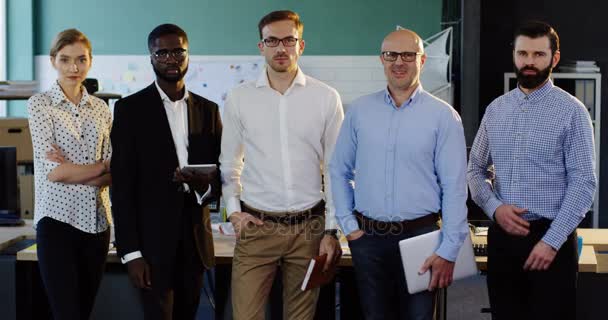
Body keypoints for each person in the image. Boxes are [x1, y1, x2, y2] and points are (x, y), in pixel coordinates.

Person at [330, 29, 469, 320]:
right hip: (368, 240)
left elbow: (454, 187)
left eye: (408, 55)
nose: (399, 62)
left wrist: (449, 248)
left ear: (422, 59)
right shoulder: (360, 111)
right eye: (391, 55)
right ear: (381, 59)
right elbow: (339, 169)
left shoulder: (443, 116)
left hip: (422, 238)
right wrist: (348, 225)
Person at [220, 10, 344, 320]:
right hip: (258, 226)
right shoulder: (240, 98)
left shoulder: (326, 98)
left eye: (289, 40)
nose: (281, 48)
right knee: (246, 316)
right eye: (272, 41)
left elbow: (336, 169)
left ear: (301, 45)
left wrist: (332, 229)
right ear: (261, 46)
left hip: (309, 228)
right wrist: (234, 211)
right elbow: (229, 162)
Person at [467, 21, 596, 320]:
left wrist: (551, 242)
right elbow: (475, 168)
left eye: (538, 54)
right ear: (514, 55)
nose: (529, 61)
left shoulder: (572, 111)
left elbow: (583, 183)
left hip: (552, 239)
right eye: (523, 53)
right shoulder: (496, 109)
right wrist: (495, 208)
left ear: (554, 57)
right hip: (502, 240)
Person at [110, 24, 222, 320]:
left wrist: (204, 185)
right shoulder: (129, 110)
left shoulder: (208, 110)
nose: (171, 58)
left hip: (195, 240)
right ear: (151, 57)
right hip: (150, 244)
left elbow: (221, 174)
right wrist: (131, 253)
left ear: (188, 55)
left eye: (178, 51)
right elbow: (121, 187)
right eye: (163, 52)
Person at [27, 28, 112, 320]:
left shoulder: (101, 108)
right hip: (57, 223)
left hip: (98, 223)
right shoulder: (40, 105)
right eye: (65, 60)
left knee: (83, 313)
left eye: (80, 59)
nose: (73, 68)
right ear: (53, 61)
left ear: (90, 61)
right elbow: (55, 172)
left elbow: (116, 169)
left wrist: (84, 170)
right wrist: (99, 167)